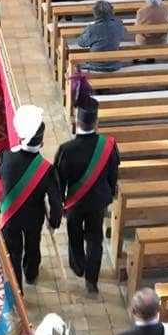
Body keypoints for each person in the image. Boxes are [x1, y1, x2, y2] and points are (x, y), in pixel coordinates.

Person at [54, 94, 120, 294]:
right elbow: (113, 175)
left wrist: (61, 203)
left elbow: (59, 181)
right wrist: (109, 193)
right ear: (96, 122)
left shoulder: (66, 150)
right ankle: (92, 280)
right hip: (97, 202)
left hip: (75, 203)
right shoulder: (108, 146)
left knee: (74, 233)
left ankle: (78, 266)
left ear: (77, 121)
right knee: (94, 238)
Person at [0, 104, 62, 291]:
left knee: (13, 252)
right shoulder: (47, 169)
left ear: (20, 137)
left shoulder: (4, 157)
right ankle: (31, 273)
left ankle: (17, 290)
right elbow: (56, 202)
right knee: (33, 246)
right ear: (42, 143)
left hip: (10, 217)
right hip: (33, 218)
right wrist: (54, 222)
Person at [76, 0, 128, 72]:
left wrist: (86, 30)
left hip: (95, 65)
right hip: (114, 64)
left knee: (74, 66)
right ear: (111, 11)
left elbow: (81, 43)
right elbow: (124, 35)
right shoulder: (118, 24)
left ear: (95, 13)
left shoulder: (92, 28)